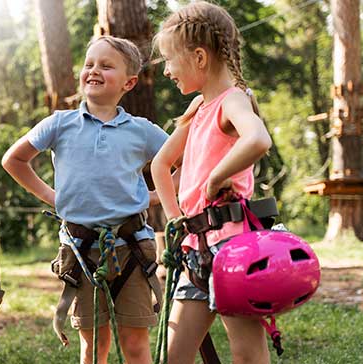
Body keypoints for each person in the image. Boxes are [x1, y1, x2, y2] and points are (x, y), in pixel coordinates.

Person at [2, 35, 169, 364]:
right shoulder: (59, 123)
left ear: (129, 82)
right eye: (89, 64)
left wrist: (155, 195)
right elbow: (14, 160)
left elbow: (184, 162)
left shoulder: (142, 130)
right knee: (94, 347)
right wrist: (54, 197)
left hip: (132, 248)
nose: (94, 70)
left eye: (106, 66)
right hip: (81, 251)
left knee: (135, 344)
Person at [150, 2, 273, 364]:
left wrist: (218, 176)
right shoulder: (198, 109)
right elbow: (161, 164)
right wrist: (177, 220)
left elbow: (258, 140)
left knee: (247, 351)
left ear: (199, 57)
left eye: (170, 60)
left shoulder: (232, 100)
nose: (168, 71)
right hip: (197, 251)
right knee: (174, 355)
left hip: (233, 247)